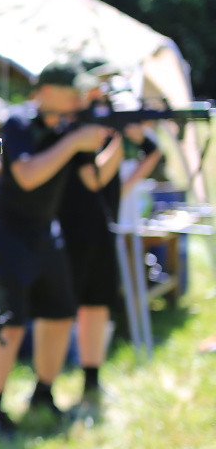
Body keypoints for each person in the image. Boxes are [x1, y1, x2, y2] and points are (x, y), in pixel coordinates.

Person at [0, 62, 112, 436]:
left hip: (44, 232)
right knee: (12, 323)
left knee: (59, 314)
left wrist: (114, 137)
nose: (79, 100)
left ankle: (43, 393)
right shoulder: (18, 121)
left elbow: (94, 177)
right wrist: (74, 142)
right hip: (8, 232)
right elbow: (27, 174)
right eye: (73, 93)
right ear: (48, 91)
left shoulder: (71, 126)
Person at [59, 64, 162, 424]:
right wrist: (117, 140)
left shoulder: (101, 127)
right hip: (71, 230)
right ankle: (48, 384)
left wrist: (125, 184)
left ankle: (91, 377)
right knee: (62, 309)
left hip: (103, 229)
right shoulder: (76, 128)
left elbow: (151, 151)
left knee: (97, 305)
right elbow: (93, 178)